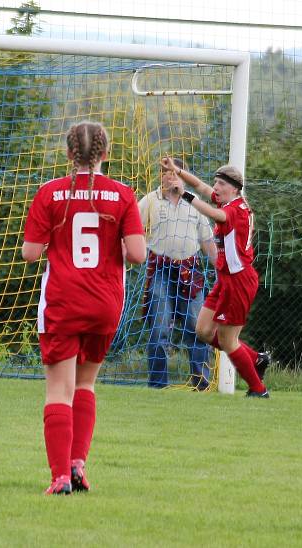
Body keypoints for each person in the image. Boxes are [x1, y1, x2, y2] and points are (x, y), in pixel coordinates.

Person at [22, 121, 146, 495]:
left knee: (59, 389)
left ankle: (60, 477)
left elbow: (30, 253)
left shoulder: (50, 193)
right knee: (86, 383)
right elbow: (138, 254)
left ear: (68, 153)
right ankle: (78, 465)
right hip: (105, 302)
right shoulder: (123, 194)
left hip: (64, 300)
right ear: (105, 154)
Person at [159, 157, 270, 397]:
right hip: (226, 280)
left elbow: (212, 213)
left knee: (229, 342)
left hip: (239, 281)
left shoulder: (235, 211)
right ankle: (256, 359)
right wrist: (177, 170)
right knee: (203, 331)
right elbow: (200, 186)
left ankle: (258, 389)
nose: (216, 187)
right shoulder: (230, 202)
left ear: (234, 188)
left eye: (220, 184)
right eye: (216, 182)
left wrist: (184, 194)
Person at [138, 158, 217, 390]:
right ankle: (158, 386)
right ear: (160, 176)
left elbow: (207, 242)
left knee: (198, 328)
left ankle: (201, 384)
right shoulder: (149, 201)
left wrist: (223, 270)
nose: (170, 177)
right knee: (160, 329)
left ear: (183, 177)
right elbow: (133, 231)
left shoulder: (195, 203)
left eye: (174, 173)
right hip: (160, 270)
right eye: (165, 173)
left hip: (189, 271)